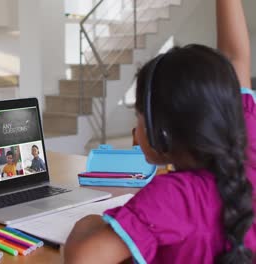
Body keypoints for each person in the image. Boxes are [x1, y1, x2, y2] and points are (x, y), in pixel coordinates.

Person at [64, 0, 256, 263]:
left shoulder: (172, 197)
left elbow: (83, 259)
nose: (135, 129)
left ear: (161, 132)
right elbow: (235, 58)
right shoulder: (247, 135)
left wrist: (88, 221)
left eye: (139, 116)